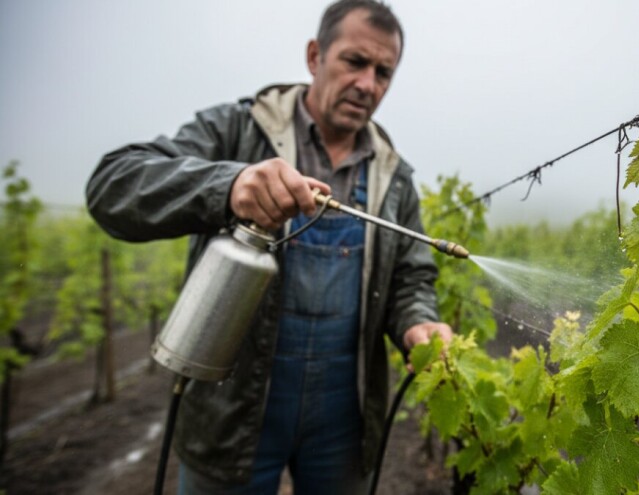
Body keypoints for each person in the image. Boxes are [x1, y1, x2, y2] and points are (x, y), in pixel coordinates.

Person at [85, 1, 452, 493]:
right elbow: (113, 185)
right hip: (231, 413)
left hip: (343, 422)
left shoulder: (395, 177)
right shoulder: (238, 130)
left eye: (384, 72)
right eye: (354, 61)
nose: (368, 84)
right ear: (315, 55)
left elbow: (410, 277)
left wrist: (417, 322)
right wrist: (228, 185)